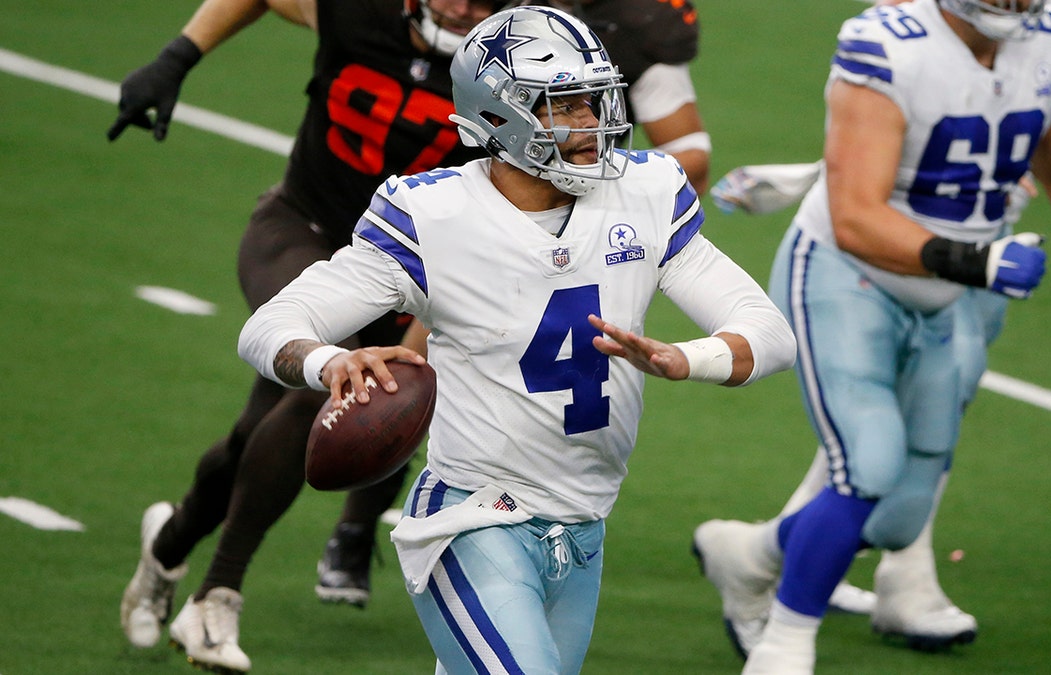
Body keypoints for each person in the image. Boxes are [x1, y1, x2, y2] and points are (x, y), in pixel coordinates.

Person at [237, 7, 796, 672]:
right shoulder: (432, 214)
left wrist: (686, 358)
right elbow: (268, 326)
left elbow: (770, 333)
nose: (592, 126)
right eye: (565, 108)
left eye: (595, 102)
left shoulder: (645, 192)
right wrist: (333, 360)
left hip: (583, 522)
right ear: (499, 117)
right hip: (471, 517)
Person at [694, 0, 1051, 657]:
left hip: (950, 289)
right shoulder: (888, 43)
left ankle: (747, 553)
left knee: (899, 518)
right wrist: (982, 259)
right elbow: (854, 218)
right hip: (850, 277)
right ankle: (787, 644)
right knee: (867, 463)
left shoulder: (1048, 39)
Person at [111, 0, 507, 671]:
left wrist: (420, 336)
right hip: (301, 228)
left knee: (253, 438)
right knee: (327, 384)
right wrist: (177, 57)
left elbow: (492, 222)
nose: (463, 8)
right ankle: (217, 594)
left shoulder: (510, 72)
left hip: (402, 278)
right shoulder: (362, 12)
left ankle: (169, 544)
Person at [521, 0, 711, 193]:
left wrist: (607, 189)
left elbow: (690, 161)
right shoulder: (498, 13)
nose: (591, 123)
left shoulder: (642, 22)